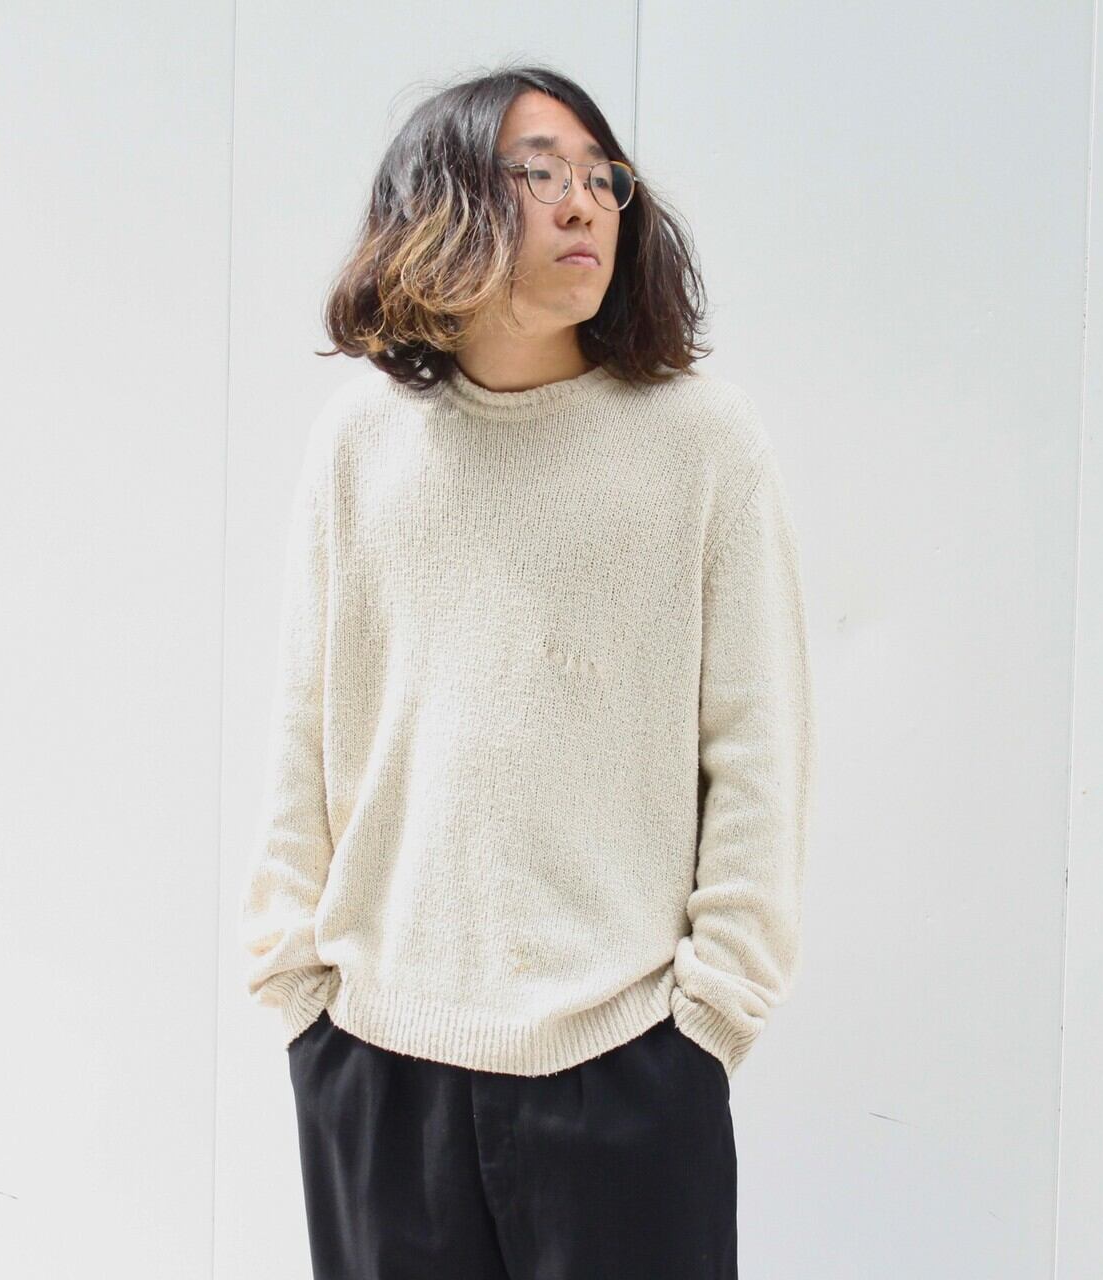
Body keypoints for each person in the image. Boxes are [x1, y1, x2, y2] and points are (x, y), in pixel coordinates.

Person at [238, 61, 816, 1279]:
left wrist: (706, 1021)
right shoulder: (359, 441)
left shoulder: (699, 441)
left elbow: (759, 748)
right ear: (440, 200)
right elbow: (301, 727)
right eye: (539, 172)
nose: (583, 201)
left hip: (625, 1063)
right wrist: (298, 992)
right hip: (378, 1061)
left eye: (602, 177)